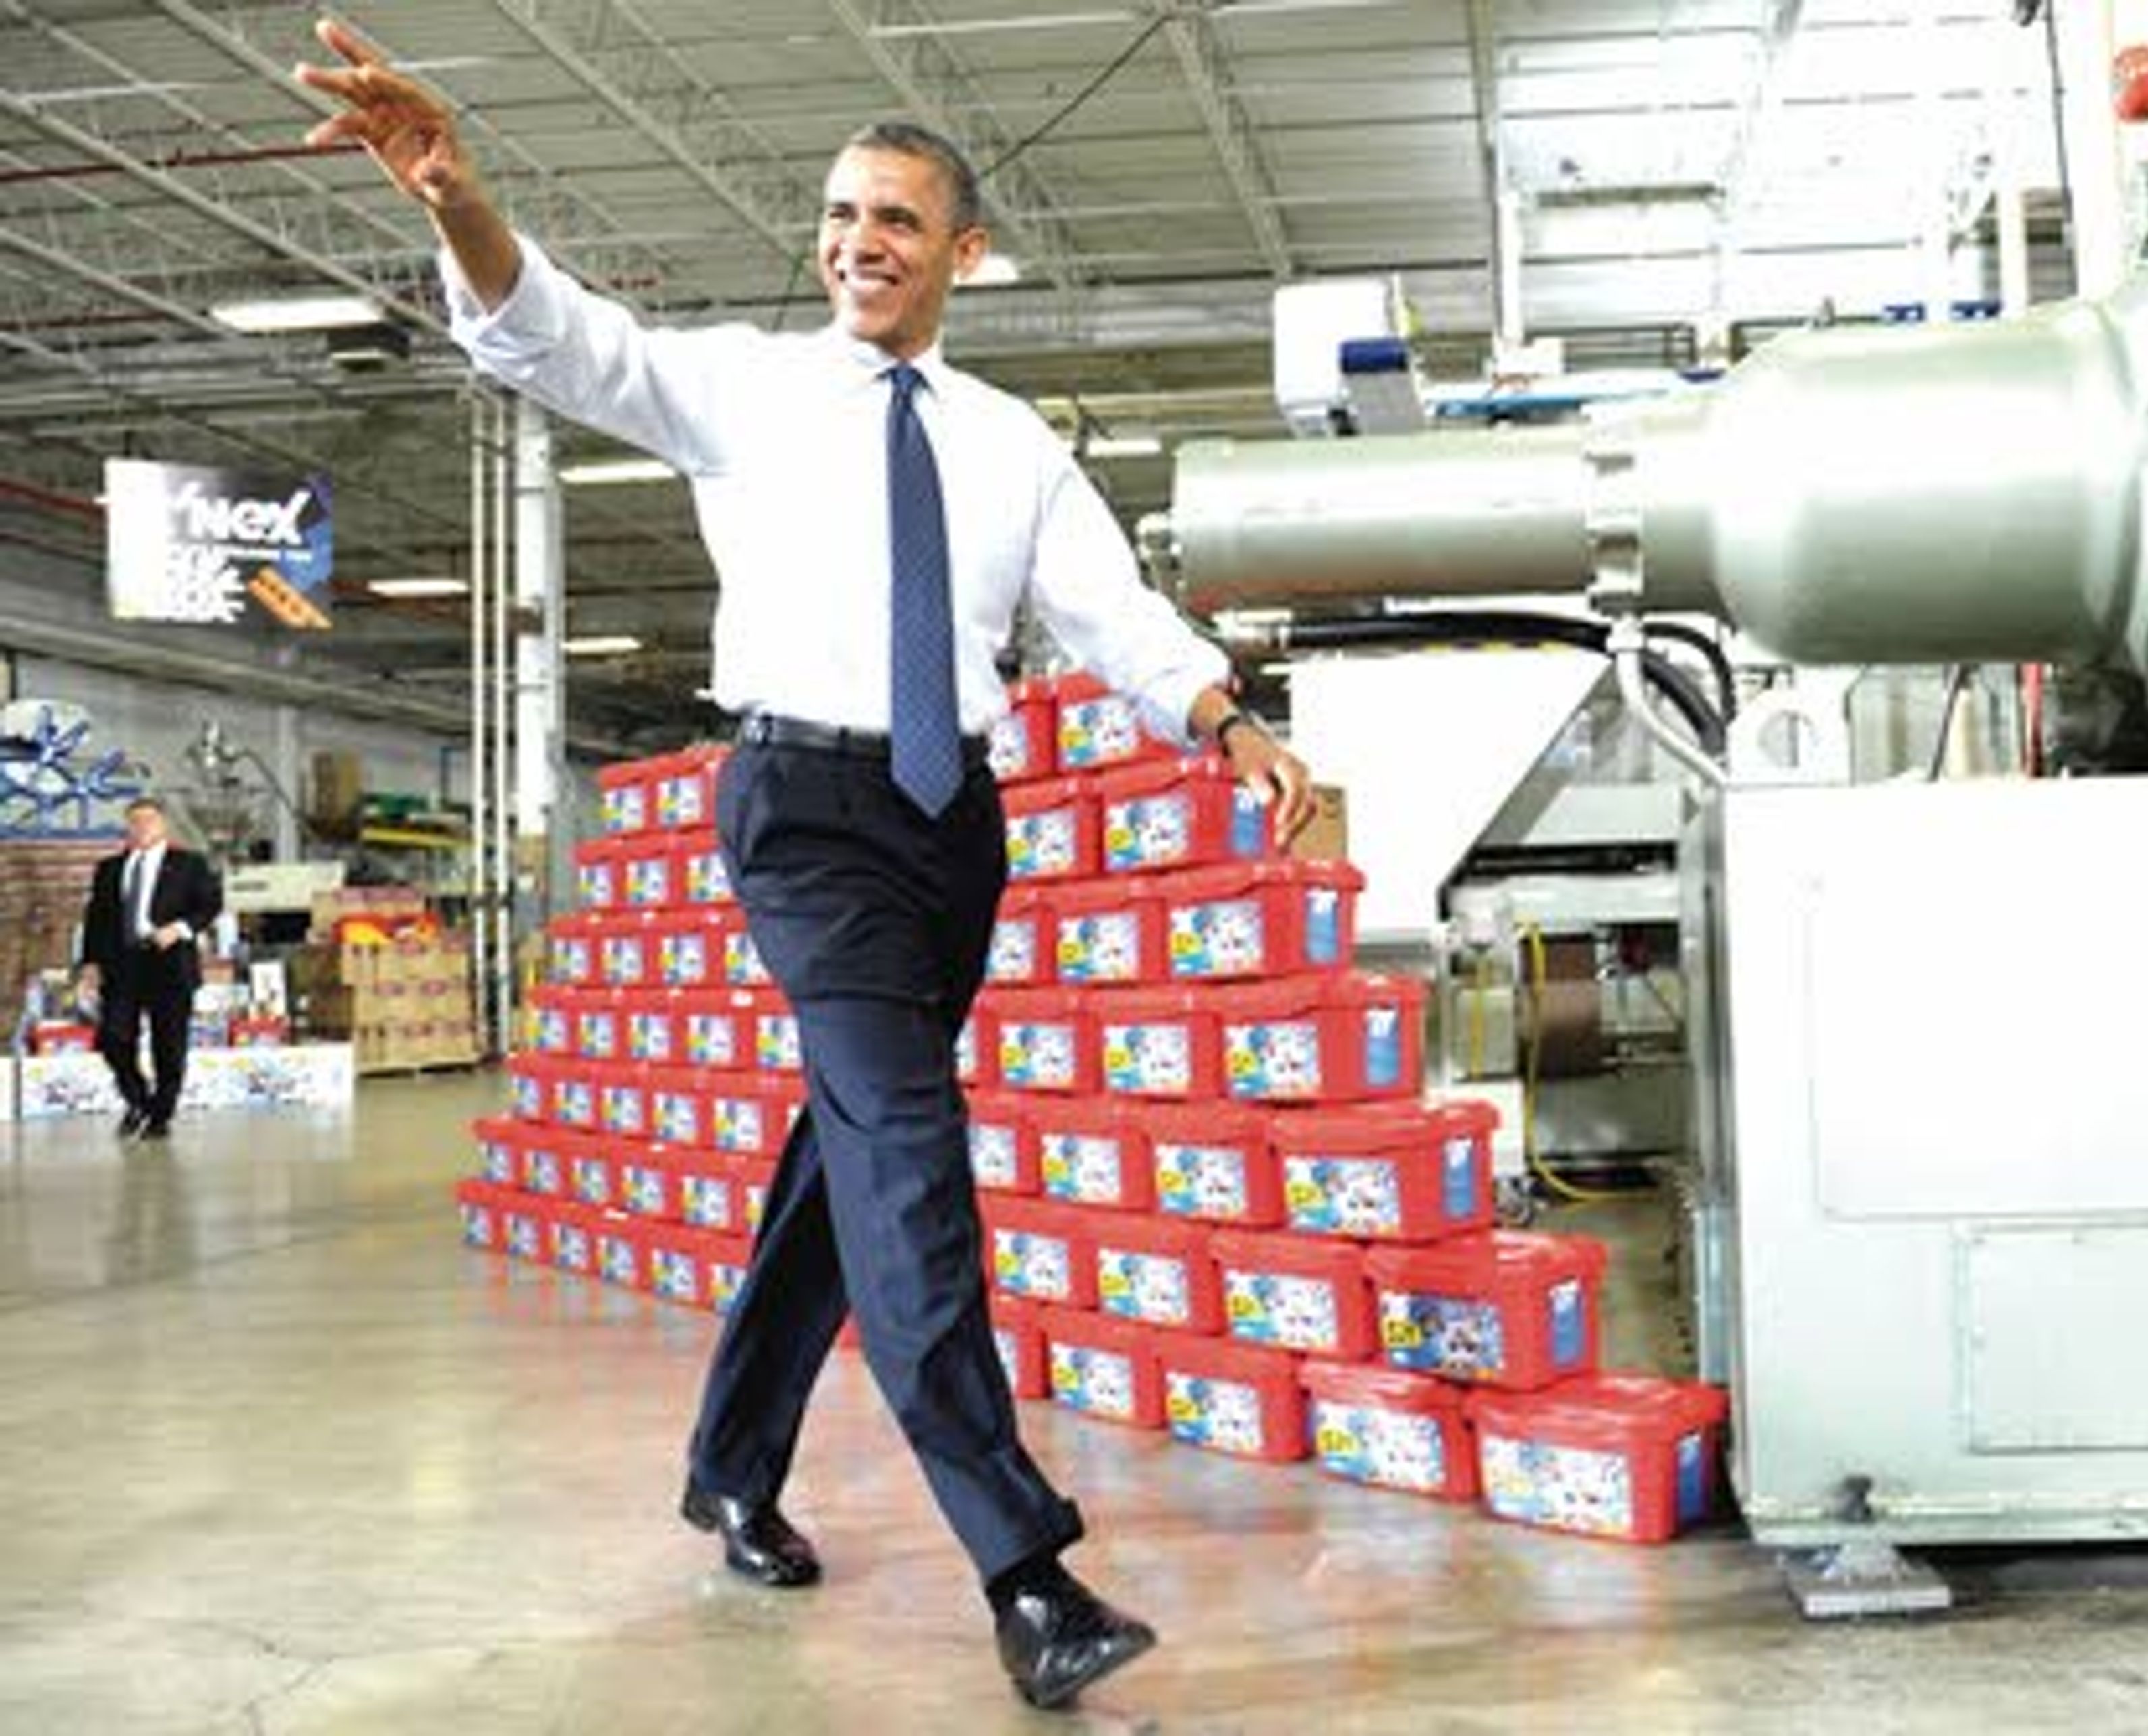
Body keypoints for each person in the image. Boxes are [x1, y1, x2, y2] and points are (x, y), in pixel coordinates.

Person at [298, 17, 1316, 1713]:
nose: (858, 242)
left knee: (844, 1159)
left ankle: (730, 1466)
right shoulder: (749, 385)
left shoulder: (1009, 439)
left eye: (897, 220)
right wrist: (456, 196)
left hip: (948, 828)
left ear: (961, 253)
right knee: (910, 1157)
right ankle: (1026, 1569)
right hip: (804, 810)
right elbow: (559, 341)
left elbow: (1111, 615)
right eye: (840, 215)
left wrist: (1231, 722)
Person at [78, 796, 223, 1140]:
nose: (141, 828)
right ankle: (139, 1099)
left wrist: (180, 929)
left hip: (169, 963)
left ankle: (161, 1114)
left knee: (168, 1044)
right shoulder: (109, 868)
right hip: (122, 964)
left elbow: (210, 905)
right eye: (135, 822)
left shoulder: (189, 864)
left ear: (163, 826)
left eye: (149, 821)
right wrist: (91, 963)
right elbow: (96, 919)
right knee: (113, 1038)